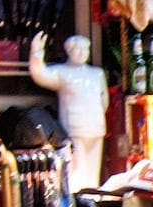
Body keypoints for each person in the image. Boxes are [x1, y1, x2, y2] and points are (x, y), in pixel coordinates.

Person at [29, 33, 108, 191]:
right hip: (73, 127)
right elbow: (40, 74)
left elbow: (104, 100)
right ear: (69, 51)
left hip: (96, 126)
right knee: (76, 172)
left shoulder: (97, 74)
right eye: (78, 49)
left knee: (93, 172)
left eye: (85, 49)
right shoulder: (62, 72)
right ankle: (78, 201)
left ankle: (91, 199)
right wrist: (36, 52)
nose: (82, 52)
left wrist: (97, 114)